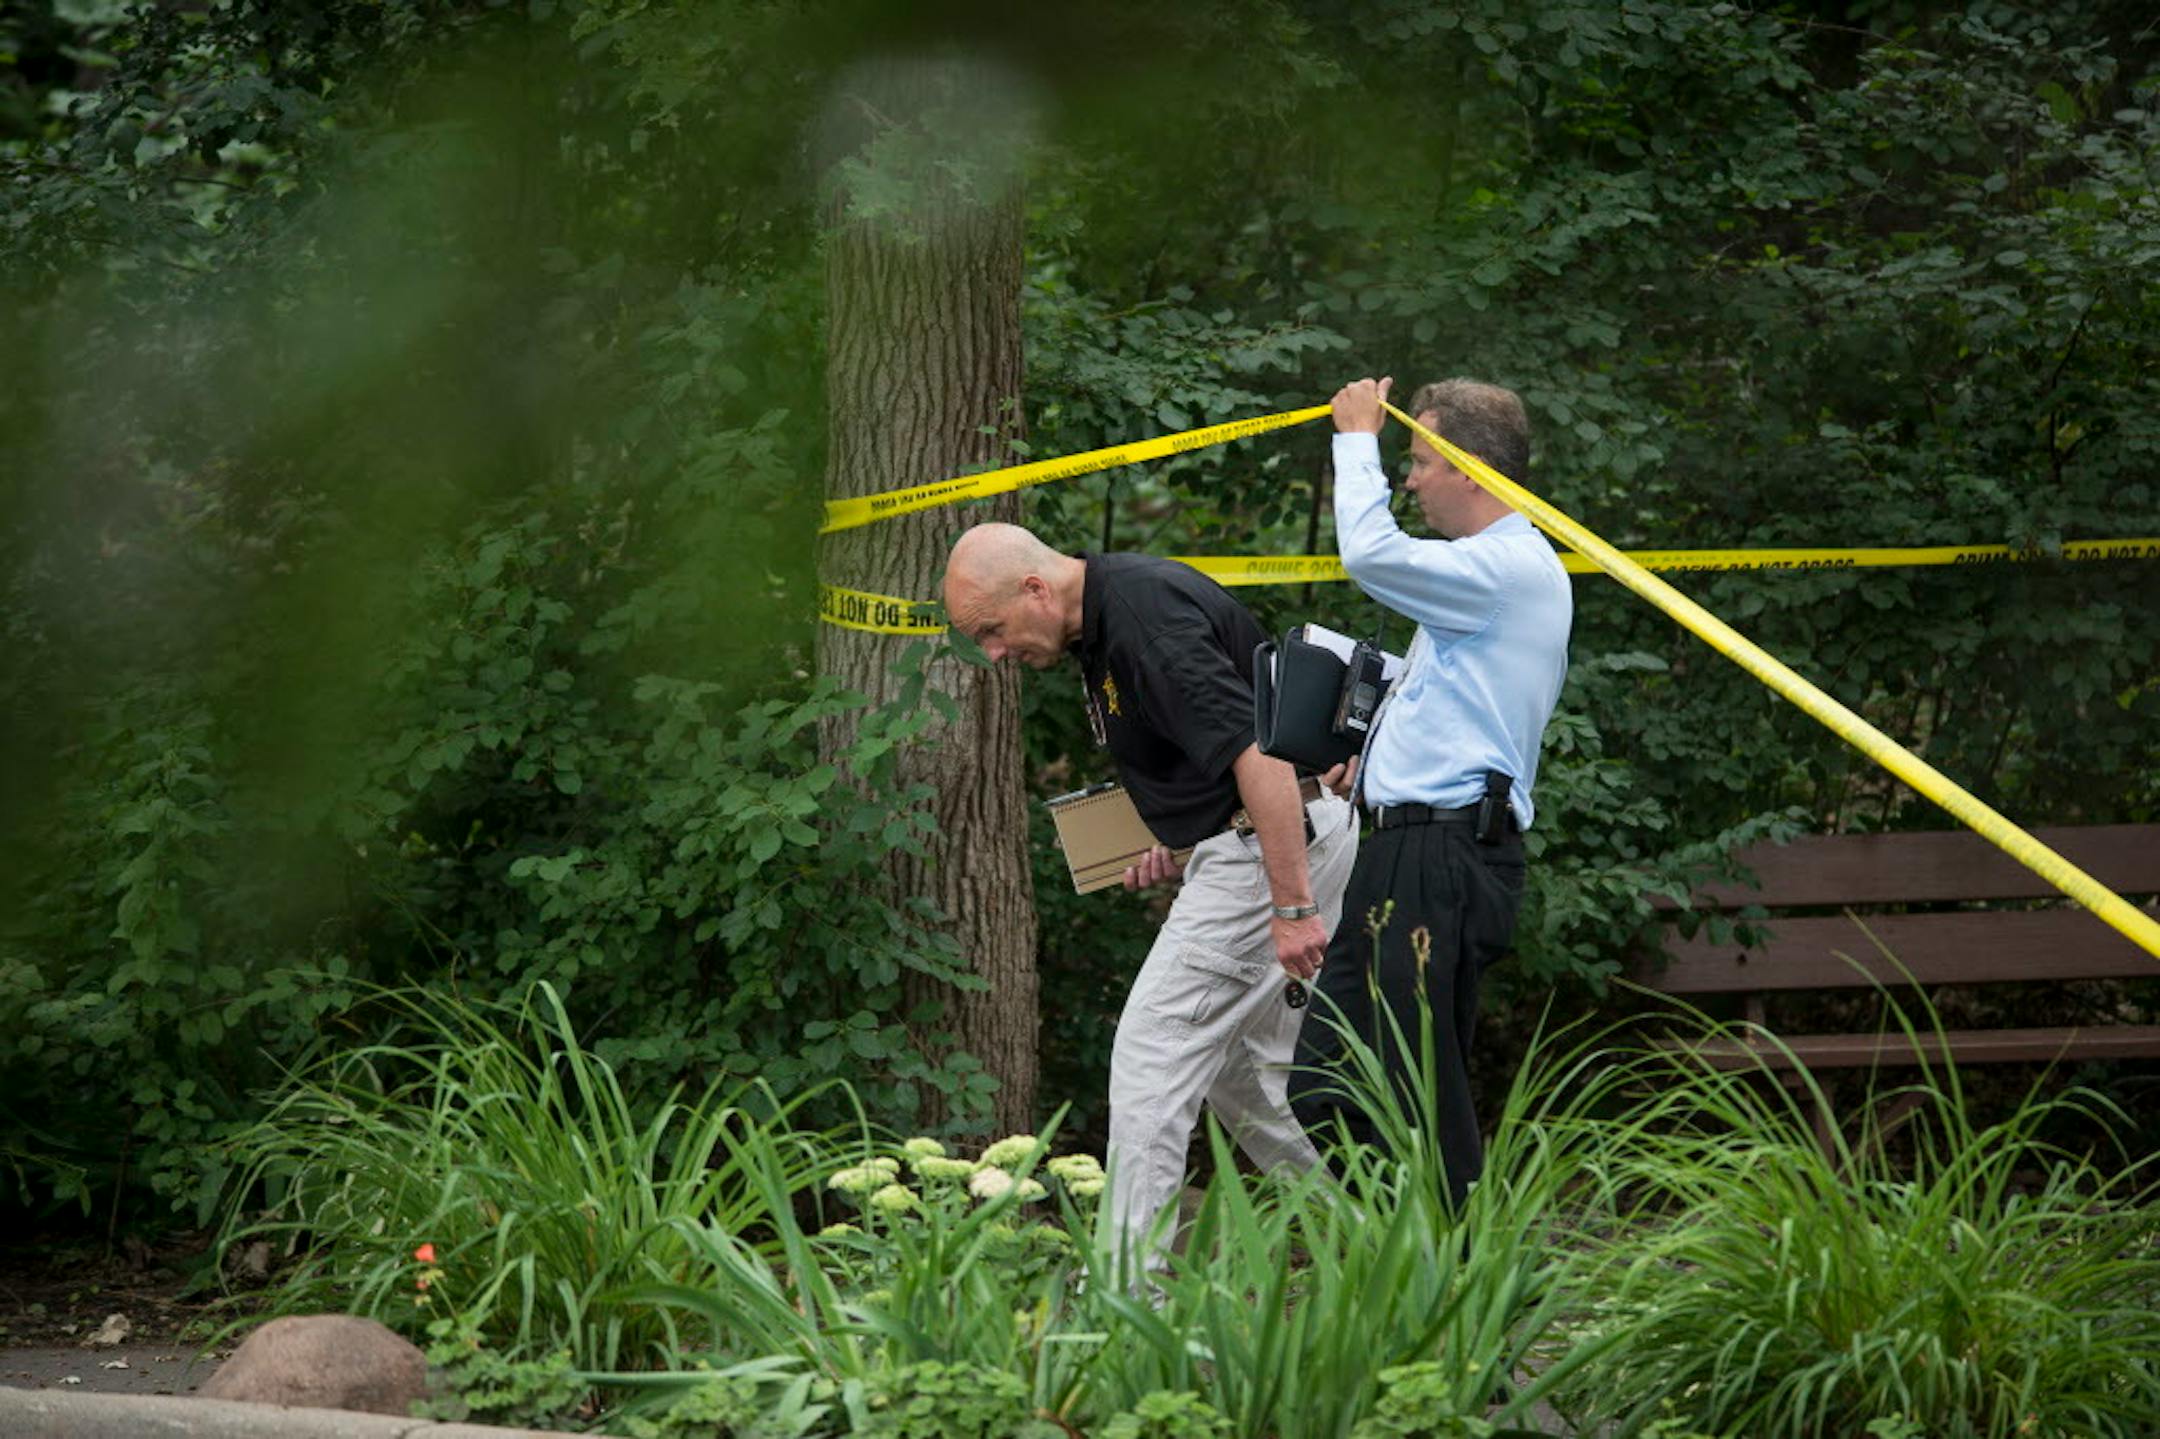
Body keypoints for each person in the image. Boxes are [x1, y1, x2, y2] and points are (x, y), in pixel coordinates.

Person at [942, 523, 1357, 1264]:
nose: (997, 654)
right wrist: (1181, 837)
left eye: (994, 631)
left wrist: (1291, 906)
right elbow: (1219, 753)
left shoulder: (1142, 623)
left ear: (1035, 589)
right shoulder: (1104, 624)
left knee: (1149, 1057)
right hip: (1255, 840)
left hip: (1268, 849)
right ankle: (1389, 1244)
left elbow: (1257, 754)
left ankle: (1132, 1302)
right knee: (1247, 1077)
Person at [1288, 376, 1573, 1207]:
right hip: (1414, 849)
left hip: (1438, 856)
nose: (1407, 481)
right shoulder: (1485, 577)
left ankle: (1453, 1278)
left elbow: (1369, 554)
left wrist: (1356, 438)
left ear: (1470, 469)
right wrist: (1368, 763)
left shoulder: (1500, 568)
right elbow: (1450, 707)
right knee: (1341, 1083)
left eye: (1417, 461)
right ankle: (1414, 1254)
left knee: (1401, 1093)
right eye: (1400, 462)